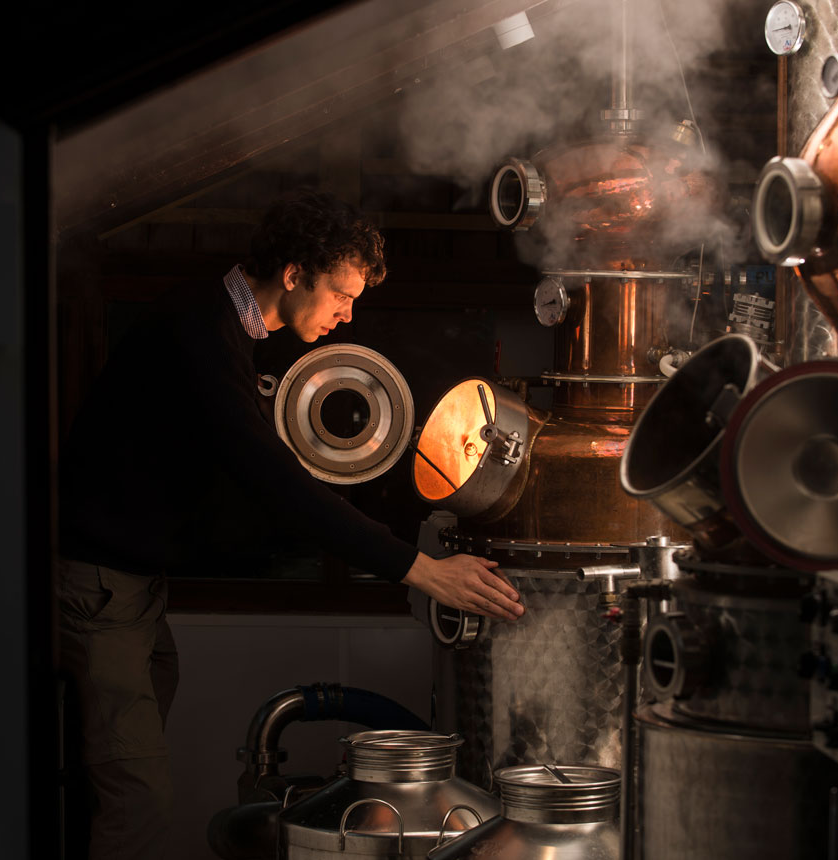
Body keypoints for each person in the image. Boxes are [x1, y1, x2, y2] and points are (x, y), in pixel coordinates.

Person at [57, 188, 524, 860]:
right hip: (100, 586)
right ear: (295, 274)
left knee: (111, 783)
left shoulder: (219, 323)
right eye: (340, 294)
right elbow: (272, 480)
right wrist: (420, 569)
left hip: (130, 586)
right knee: (137, 801)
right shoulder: (199, 329)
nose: (348, 313)